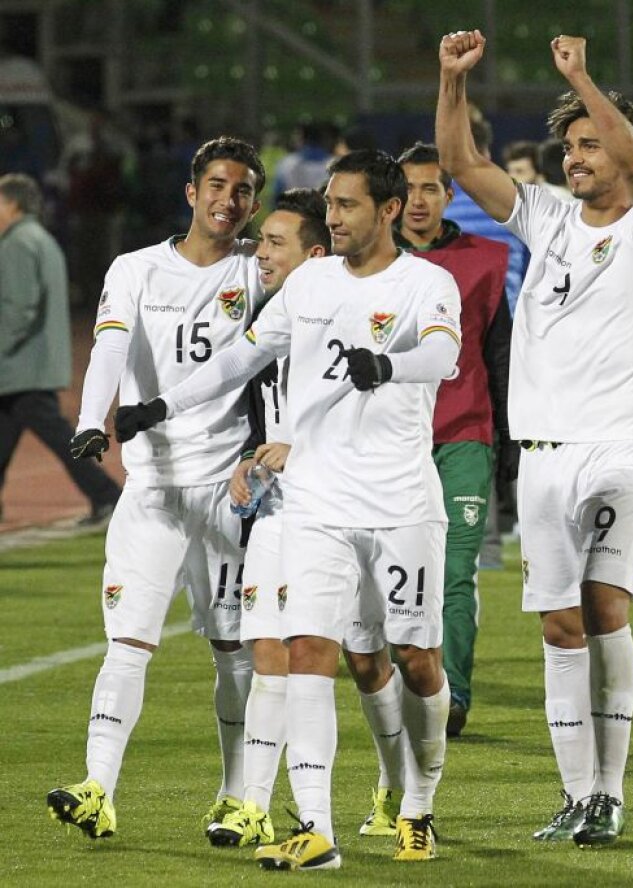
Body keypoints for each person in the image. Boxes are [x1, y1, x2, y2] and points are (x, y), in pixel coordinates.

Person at [117, 149, 461, 869]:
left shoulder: (426, 282)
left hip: (400, 501)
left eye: (347, 206)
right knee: (308, 653)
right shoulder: (307, 288)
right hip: (315, 502)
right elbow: (238, 358)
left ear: (388, 210)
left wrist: (388, 364)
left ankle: (419, 804)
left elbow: (443, 354)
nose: (332, 218)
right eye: (329, 205)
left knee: (414, 658)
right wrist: (158, 404)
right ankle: (318, 828)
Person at [437, 30, 633, 847]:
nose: (575, 157)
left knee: (605, 605)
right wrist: (452, 80)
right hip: (542, 454)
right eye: (569, 145)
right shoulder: (545, 216)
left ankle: (612, 793)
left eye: (589, 143)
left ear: (619, 145)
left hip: (619, 450)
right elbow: (463, 162)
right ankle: (577, 794)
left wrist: (582, 77)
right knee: (557, 625)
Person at [47, 137, 266, 840]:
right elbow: (110, 343)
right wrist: (90, 419)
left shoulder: (261, 269)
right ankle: (97, 788)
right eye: (218, 186)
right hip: (152, 487)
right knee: (128, 639)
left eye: (242, 191)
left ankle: (237, 793)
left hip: (230, 486)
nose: (229, 201)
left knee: (233, 648)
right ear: (191, 191)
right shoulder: (136, 268)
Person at [203, 187, 330, 850]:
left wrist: (300, 449)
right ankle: (255, 804)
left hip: (342, 513)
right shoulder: (265, 321)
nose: (260, 253)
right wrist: (249, 457)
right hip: (277, 510)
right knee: (268, 649)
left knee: (371, 667)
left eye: (275, 243)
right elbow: (265, 413)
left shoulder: (343, 317)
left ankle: (404, 795)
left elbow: (375, 418)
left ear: (315, 253)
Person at [385, 140, 515, 740]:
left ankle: (453, 693)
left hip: (464, 435)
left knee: (455, 572)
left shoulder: (485, 260)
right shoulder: (364, 264)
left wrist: (510, 448)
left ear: (449, 195)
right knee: (387, 574)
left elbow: (501, 356)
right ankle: (399, 687)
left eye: (431, 188)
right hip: (386, 443)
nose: (419, 200)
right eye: (408, 188)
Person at [0, 172, 122, 525]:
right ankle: (106, 497)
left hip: (21, 367)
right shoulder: (42, 240)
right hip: (31, 364)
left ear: (13, 204)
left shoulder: (16, 243)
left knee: (58, 438)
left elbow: (18, 309)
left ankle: (107, 496)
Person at [444, 110, 531, 317]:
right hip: (508, 321)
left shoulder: (430, 203)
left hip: (452, 321)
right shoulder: (516, 196)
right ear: (487, 153)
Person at [504, 139, 572, 202]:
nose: (512, 177)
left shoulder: (560, 199)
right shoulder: (509, 201)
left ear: (538, 172)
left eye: (519, 171)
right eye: (509, 171)